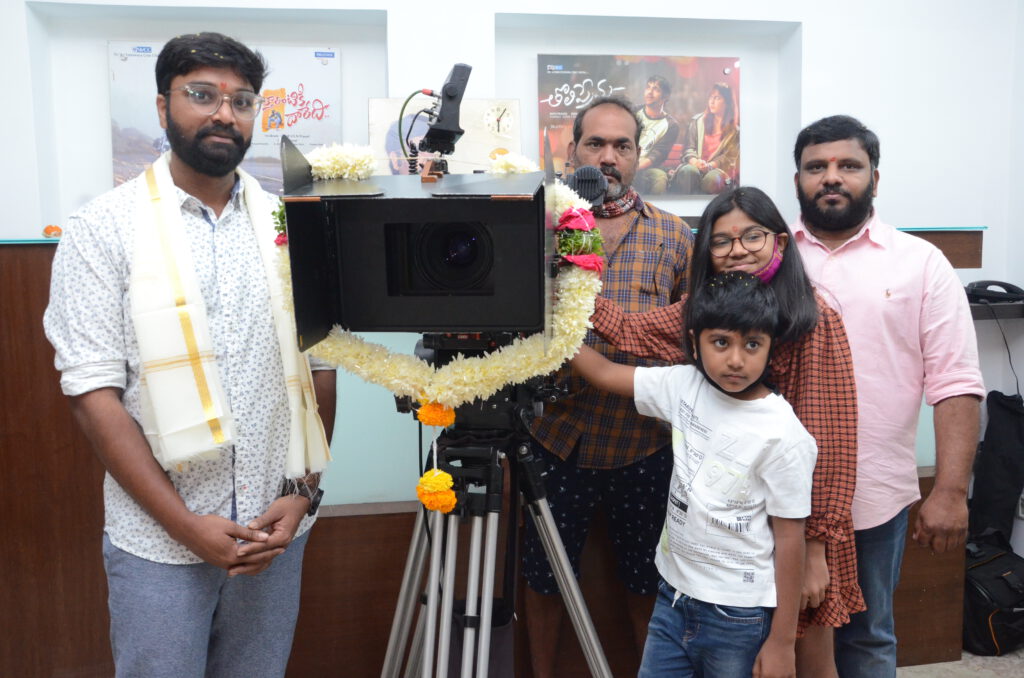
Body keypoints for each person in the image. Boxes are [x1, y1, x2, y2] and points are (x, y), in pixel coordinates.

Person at [43, 32, 335, 678]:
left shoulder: (289, 226)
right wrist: (184, 525)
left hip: (272, 534)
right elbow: (93, 396)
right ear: (163, 105)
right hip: (159, 543)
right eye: (202, 95)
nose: (224, 114)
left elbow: (320, 368)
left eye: (242, 101)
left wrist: (302, 494)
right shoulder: (102, 228)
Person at [590, 185, 863, 678]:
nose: (737, 250)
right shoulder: (708, 309)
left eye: (751, 236)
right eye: (721, 240)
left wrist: (817, 549)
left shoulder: (814, 318)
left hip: (799, 523)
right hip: (726, 541)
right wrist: (567, 296)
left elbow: (832, 442)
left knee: (807, 657)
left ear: (779, 242)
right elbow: (633, 331)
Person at [791, 115, 984, 678]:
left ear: (874, 177)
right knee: (769, 630)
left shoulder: (919, 262)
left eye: (848, 166)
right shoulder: (766, 256)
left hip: (872, 493)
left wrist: (951, 491)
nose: (831, 177)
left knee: (867, 636)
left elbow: (955, 381)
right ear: (798, 179)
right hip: (769, 491)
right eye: (816, 167)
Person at [523, 95, 693, 678]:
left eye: (622, 145)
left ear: (639, 155)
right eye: (595, 143)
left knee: (649, 584)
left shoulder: (674, 236)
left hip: (642, 444)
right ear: (573, 149)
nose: (608, 157)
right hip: (552, 440)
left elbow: (693, 340)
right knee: (544, 582)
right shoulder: (540, 226)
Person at [573, 271, 816, 678]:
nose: (736, 359)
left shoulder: (783, 434)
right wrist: (548, 333)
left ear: (771, 347)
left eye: (752, 344)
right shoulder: (684, 385)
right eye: (720, 342)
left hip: (738, 614)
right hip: (672, 596)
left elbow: (791, 539)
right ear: (694, 341)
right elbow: (603, 373)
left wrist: (782, 641)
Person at [671, 82, 739, 194]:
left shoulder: (735, 131)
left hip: (717, 169)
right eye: (711, 97)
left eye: (717, 98)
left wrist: (709, 166)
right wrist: (696, 162)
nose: (712, 101)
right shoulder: (697, 121)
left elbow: (728, 158)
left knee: (713, 179)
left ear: (727, 102)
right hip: (694, 165)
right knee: (689, 171)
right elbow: (688, 149)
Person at [634, 75, 679, 195]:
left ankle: (654, 208)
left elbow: (657, 155)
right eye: (648, 87)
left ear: (666, 96)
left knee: (659, 178)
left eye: (656, 89)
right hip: (624, 162)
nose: (650, 92)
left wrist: (633, 168)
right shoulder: (633, 112)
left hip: (646, 168)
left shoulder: (671, 125)